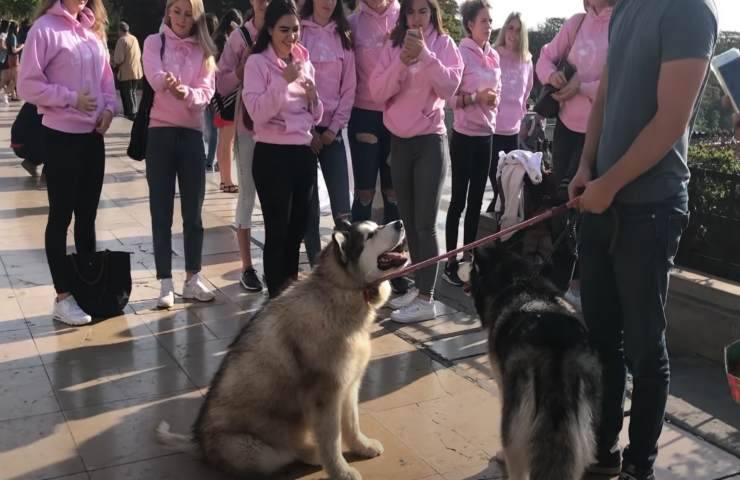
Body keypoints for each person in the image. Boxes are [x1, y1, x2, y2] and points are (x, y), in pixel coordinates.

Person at [567, 0, 718, 478]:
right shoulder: (629, 7)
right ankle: (603, 449)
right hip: (601, 203)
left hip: (650, 210)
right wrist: (587, 166)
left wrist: (609, 185)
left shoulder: (692, 10)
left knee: (644, 348)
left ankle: (640, 463)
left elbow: (671, 120)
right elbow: (606, 96)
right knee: (600, 340)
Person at [18, 0, 117, 325]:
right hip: (60, 136)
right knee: (60, 217)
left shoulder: (93, 30)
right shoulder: (45, 29)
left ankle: (88, 289)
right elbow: (27, 85)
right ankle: (63, 296)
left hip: (92, 137)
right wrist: (70, 98)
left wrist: (108, 109)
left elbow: (107, 80)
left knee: (87, 217)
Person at [370, 0, 462, 323]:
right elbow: (376, 89)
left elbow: (451, 86)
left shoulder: (444, 44)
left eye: (423, 10)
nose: (417, 17)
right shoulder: (393, 44)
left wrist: (424, 55)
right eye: (411, 11)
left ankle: (428, 297)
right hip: (399, 141)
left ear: (432, 12)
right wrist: (401, 62)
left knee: (425, 222)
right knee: (409, 222)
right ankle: (420, 286)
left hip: (429, 141)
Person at [243, 0, 323, 298]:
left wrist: (315, 98)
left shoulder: (304, 60)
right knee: (278, 229)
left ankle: (288, 292)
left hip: (302, 153)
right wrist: (281, 83)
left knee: (297, 229)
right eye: (284, 30)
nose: (291, 37)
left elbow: (316, 116)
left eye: (296, 29)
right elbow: (257, 112)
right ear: (270, 29)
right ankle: (275, 296)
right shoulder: (257, 63)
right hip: (272, 155)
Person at [142, 0, 217, 309]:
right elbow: (153, 74)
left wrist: (186, 92)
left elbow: (207, 89)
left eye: (189, 14)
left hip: (191, 135)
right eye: (177, 12)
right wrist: (167, 83)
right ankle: (164, 282)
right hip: (159, 133)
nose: (183, 19)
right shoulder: (153, 42)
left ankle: (192, 277)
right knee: (161, 211)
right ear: (167, 13)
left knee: (193, 212)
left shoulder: (204, 50)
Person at [536, 0, 612, 301]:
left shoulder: (624, 23)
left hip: (600, 131)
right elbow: (544, 57)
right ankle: (562, 282)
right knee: (560, 203)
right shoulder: (575, 23)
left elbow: (621, 81)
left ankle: (580, 281)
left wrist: (584, 88)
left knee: (586, 207)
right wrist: (552, 76)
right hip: (567, 128)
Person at [442, 0, 499, 287]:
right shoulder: (460, 53)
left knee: (476, 202)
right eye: (484, 21)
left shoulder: (494, 56)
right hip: (463, 136)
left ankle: (469, 259)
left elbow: (495, 92)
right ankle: (450, 261)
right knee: (458, 202)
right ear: (469, 25)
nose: (489, 26)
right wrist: (476, 98)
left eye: (490, 21)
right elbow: (450, 99)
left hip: (486, 136)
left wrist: (493, 100)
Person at [217, 0, 269, 292]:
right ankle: (247, 266)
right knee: (247, 192)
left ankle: (277, 261)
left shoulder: (283, 29)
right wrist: (240, 67)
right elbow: (221, 83)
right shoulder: (240, 37)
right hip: (249, 126)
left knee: (278, 196)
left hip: (279, 128)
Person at [300, 0, 356, 266]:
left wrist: (333, 129)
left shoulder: (344, 36)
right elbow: (294, 84)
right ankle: (314, 269)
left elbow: (349, 88)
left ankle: (347, 269)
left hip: (333, 133)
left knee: (342, 211)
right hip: (304, 133)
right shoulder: (299, 31)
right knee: (308, 212)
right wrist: (308, 129)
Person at [486, 12, 532, 212]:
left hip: (512, 133)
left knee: (509, 188)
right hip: (491, 129)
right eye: (510, 28)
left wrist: (522, 120)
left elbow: (527, 92)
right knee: (497, 186)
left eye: (518, 30)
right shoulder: (493, 54)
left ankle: (501, 233)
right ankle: (490, 232)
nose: (513, 33)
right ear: (504, 29)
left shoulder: (527, 60)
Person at [213, 8, 244, 193]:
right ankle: (227, 180)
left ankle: (224, 179)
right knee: (228, 140)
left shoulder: (217, 39)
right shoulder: (226, 41)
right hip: (228, 95)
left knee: (223, 140)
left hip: (218, 95)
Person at [112, 21, 143, 120]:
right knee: (133, 91)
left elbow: (119, 58)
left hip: (126, 72)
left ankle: (130, 113)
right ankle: (134, 111)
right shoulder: (134, 39)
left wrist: (114, 64)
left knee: (127, 92)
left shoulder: (122, 40)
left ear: (120, 30)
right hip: (137, 70)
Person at [203, 13, 219, 169]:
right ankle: (211, 159)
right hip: (216, 91)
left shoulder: (204, 44)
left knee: (208, 128)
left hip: (208, 90)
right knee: (214, 129)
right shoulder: (218, 42)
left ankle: (208, 159)